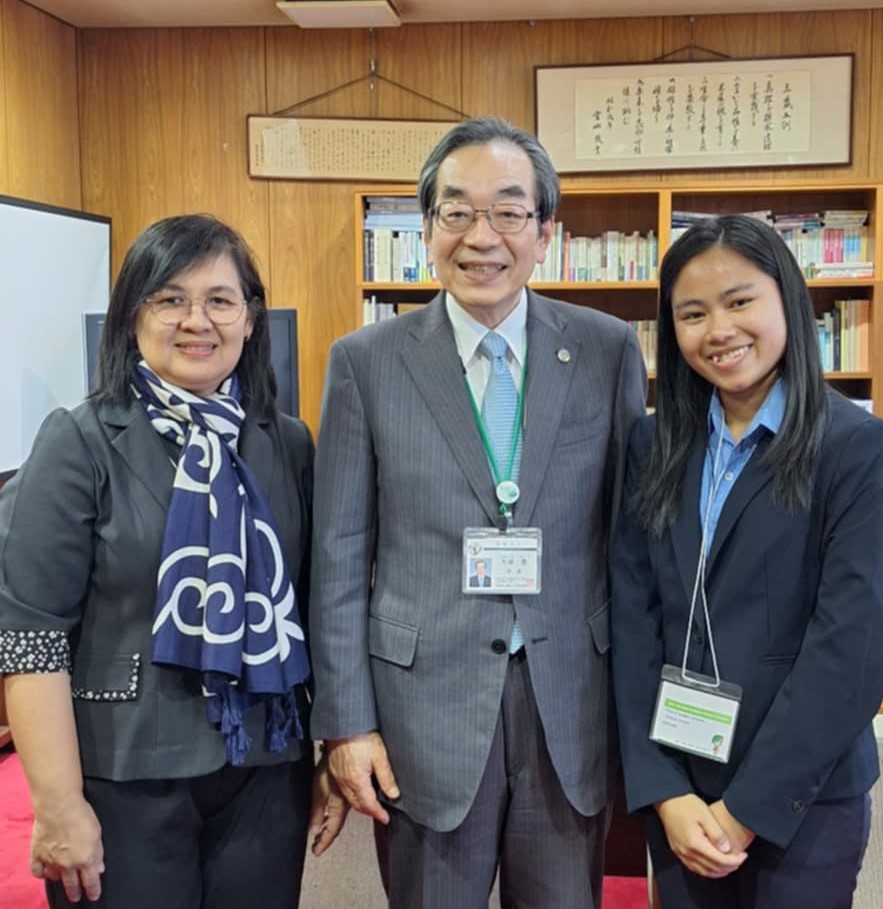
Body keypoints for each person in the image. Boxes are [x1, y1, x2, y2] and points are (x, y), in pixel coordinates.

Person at [309, 116, 648, 908]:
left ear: (544, 231)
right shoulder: (367, 362)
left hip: (568, 697)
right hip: (419, 708)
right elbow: (337, 553)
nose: (480, 236)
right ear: (426, 227)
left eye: (507, 211)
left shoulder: (604, 351)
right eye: (455, 211)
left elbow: (629, 542)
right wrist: (346, 725)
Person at [0, 214, 347, 909]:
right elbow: (30, 637)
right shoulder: (80, 441)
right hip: (122, 775)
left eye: (220, 299)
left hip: (264, 768)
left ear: (250, 318)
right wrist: (59, 804)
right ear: (133, 315)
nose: (198, 320)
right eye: (170, 298)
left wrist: (329, 755)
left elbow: (318, 609)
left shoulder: (286, 443)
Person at [610, 213, 883, 909]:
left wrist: (744, 808)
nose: (717, 329)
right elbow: (631, 620)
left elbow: (852, 647)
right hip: (681, 794)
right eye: (691, 313)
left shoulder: (854, 448)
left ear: (788, 301)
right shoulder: (653, 445)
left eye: (739, 301)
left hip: (799, 802)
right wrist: (663, 789)